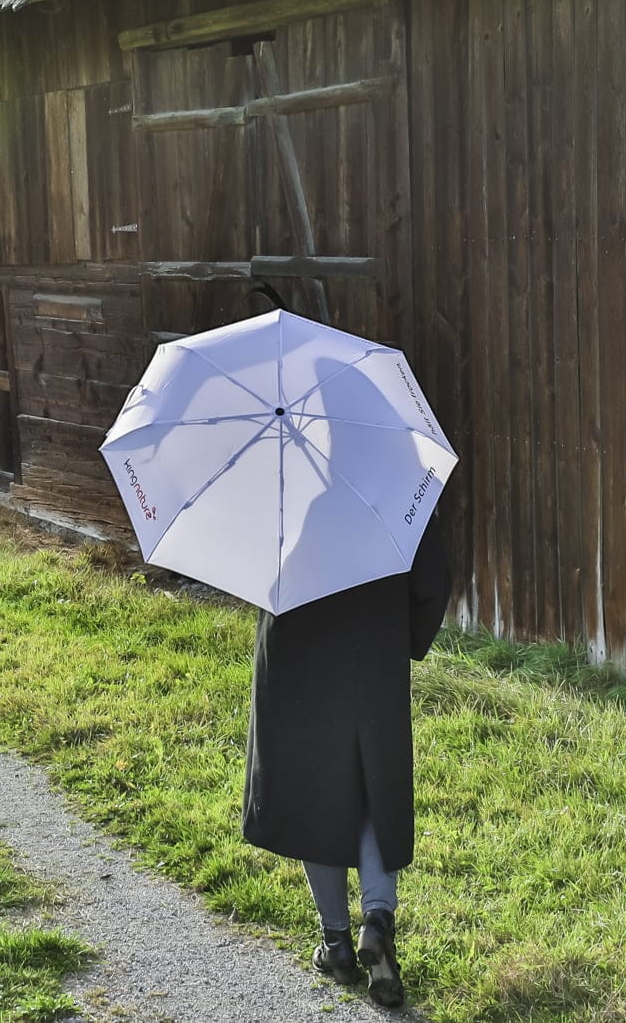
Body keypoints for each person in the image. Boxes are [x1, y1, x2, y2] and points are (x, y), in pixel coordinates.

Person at [238, 338, 454, 1009]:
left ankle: (336, 943)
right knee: (372, 789)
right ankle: (378, 923)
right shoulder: (410, 483)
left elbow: (266, 566)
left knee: (314, 789)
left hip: (300, 654)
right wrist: (404, 642)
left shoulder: (291, 469)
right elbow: (433, 579)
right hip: (374, 657)